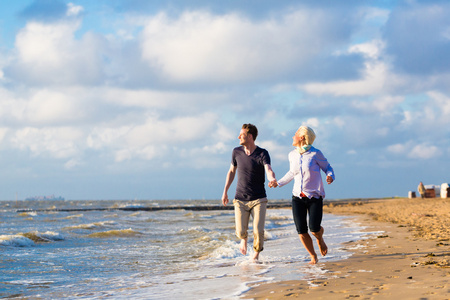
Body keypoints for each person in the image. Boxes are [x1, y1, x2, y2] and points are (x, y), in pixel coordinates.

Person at [269, 125, 335, 264]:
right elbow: (292, 173)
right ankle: (313, 256)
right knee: (301, 230)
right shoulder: (292, 155)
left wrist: (330, 176)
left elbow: (328, 167)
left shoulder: (316, 153)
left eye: (295, 134)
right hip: (297, 197)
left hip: (314, 197)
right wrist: (278, 183)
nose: (293, 136)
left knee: (315, 229)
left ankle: (320, 238)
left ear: (302, 137)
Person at [222, 123, 277, 261]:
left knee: (258, 230)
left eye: (242, 135)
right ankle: (244, 239)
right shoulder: (236, 152)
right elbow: (231, 172)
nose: (238, 137)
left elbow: (268, 169)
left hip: (259, 199)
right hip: (240, 198)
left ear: (250, 136)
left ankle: (256, 255)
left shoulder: (262, 153)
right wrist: (225, 191)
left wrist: (272, 179)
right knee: (241, 230)